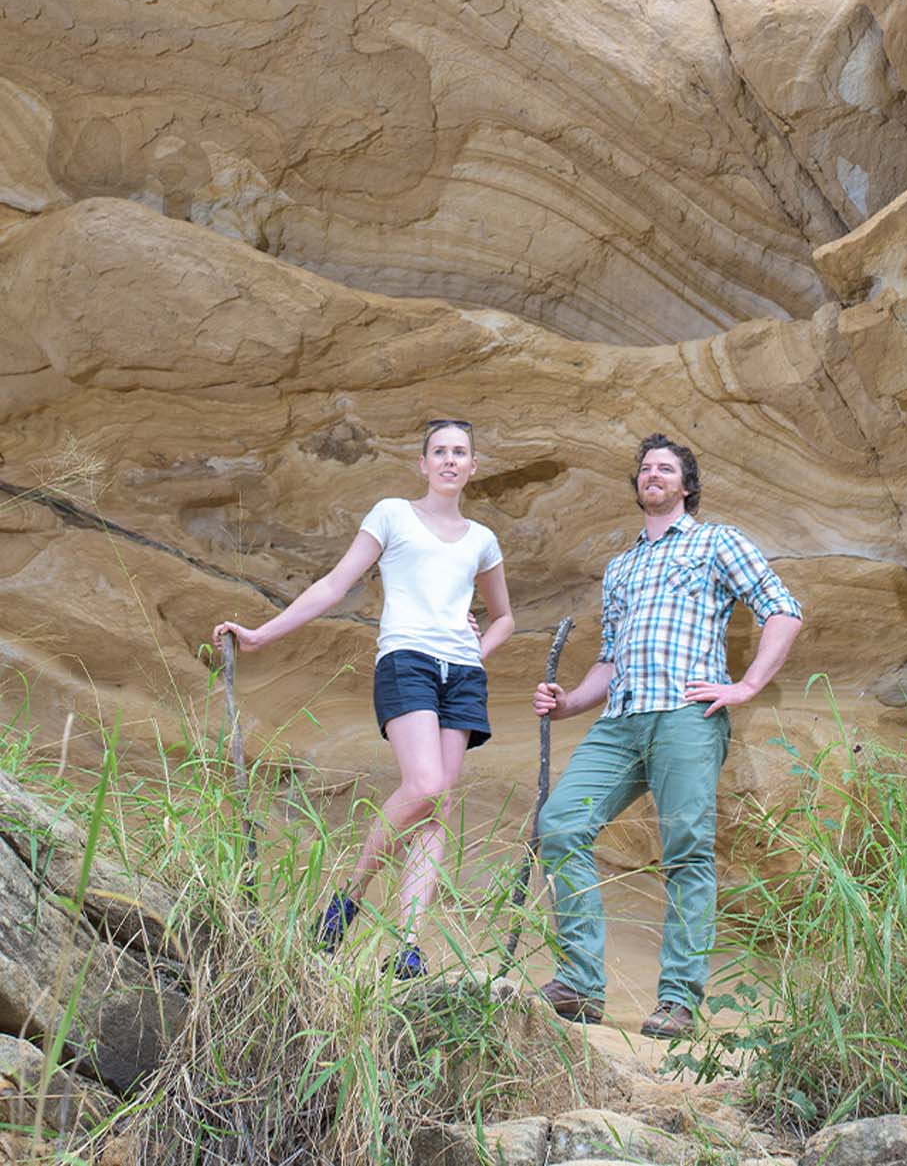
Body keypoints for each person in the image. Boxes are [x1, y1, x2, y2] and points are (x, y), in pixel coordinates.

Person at [212, 420, 513, 975]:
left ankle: (407, 949)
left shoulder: (481, 539)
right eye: (439, 452)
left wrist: (478, 652)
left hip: (462, 675)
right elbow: (334, 584)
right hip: (408, 662)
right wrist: (262, 634)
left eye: (461, 453)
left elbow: (504, 617)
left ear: (474, 467)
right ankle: (347, 896)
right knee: (423, 786)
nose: (450, 460)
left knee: (437, 808)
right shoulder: (393, 513)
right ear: (422, 464)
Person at [533, 433, 802, 1038]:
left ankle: (678, 1000)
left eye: (665, 469)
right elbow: (610, 658)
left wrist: (747, 685)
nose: (652, 475)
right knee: (560, 826)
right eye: (644, 469)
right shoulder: (621, 566)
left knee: (687, 851)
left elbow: (781, 608)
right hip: (620, 720)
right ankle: (579, 983)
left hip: (685, 714)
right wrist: (570, 702)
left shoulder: (715, 541)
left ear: (686, 485)